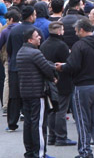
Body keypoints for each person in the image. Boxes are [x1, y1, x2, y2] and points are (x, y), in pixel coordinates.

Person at [55, 18, 94, 158]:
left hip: (84, 85)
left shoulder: (79, 45)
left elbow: (73, 66)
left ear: (81, 30)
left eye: (76, 31)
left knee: (83, 120)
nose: (76, 33)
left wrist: (62, 67)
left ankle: (85, 151)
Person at [17, 27, 56, 158]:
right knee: (38, 124)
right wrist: (54, 76)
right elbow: (47, 70)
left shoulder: (21, 52)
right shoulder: (35, 53)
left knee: (28, 123)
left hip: (25, 92)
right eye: (36, 36)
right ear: (29, 39)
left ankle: (29, 151)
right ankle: (40, 153)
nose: (39, 37)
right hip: (37, 92)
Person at [39, 21, 77, 147]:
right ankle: (61, 137)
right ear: (60, 31)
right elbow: (68, 64)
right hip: (62, 80)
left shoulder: (44, 45)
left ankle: (52, 137)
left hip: (49, 80)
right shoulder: (62, 45)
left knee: (52, 109)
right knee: (61, 110)